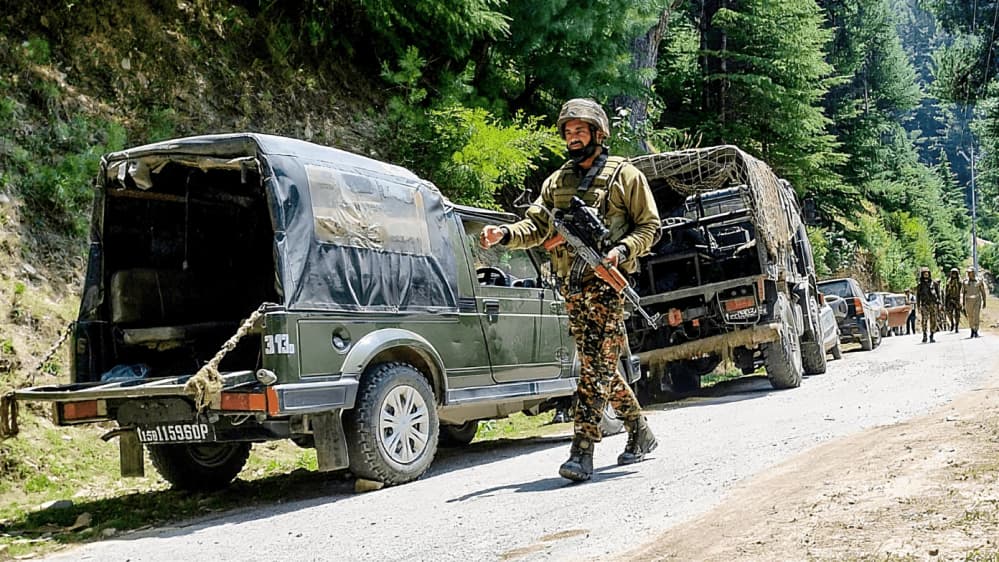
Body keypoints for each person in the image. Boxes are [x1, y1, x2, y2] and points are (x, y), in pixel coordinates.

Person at [479, 98, 660, 482]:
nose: (573, 137)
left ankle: (582, 451)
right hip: (572, 287)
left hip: (607, 286)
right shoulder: (557, 182)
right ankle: (640, 431)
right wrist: (504, 234)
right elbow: (536, 226)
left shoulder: (624, 176)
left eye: (581, 130)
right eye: (569, 131)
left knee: (594, 368)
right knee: (603, 370)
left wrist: (620, 250)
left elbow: (650, 226)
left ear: (598, 132)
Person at [964, 267, 988, 338]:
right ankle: (972, 329)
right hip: (968, 300)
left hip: (977, 299)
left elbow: (983, 292)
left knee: (976, 315)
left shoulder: (979, 281)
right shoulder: (965, 282)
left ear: (973, 273)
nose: (968, 274)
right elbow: (963, 293)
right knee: (970, 316)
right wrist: (962, 303)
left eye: (970, 272)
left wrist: (984, 301)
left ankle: (976, 330)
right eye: (968, 273)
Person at [916, 267, 938, 343]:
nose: (926, 274)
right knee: (924, 320)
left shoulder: (934, 283)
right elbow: (918, 296)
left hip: (933, 304)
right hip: (924, 304)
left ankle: (932, 335)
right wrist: (918, 306)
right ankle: (924, 335)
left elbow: (938, 294)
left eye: (927, 273)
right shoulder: (920, 285)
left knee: (933, 320)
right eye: (924, 273)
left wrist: (939, 303)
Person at [944, 267, 963, 333]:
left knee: (957, 314)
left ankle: (957, 326)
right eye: (953, 273)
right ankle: (952, 323)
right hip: (950, 299)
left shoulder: (960, 282)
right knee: (950, 313)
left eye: (955, 273)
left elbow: (962, 291)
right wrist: (946, 301)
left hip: (957, 299)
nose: (954, 275)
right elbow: (946, 292)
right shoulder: (948, 282)